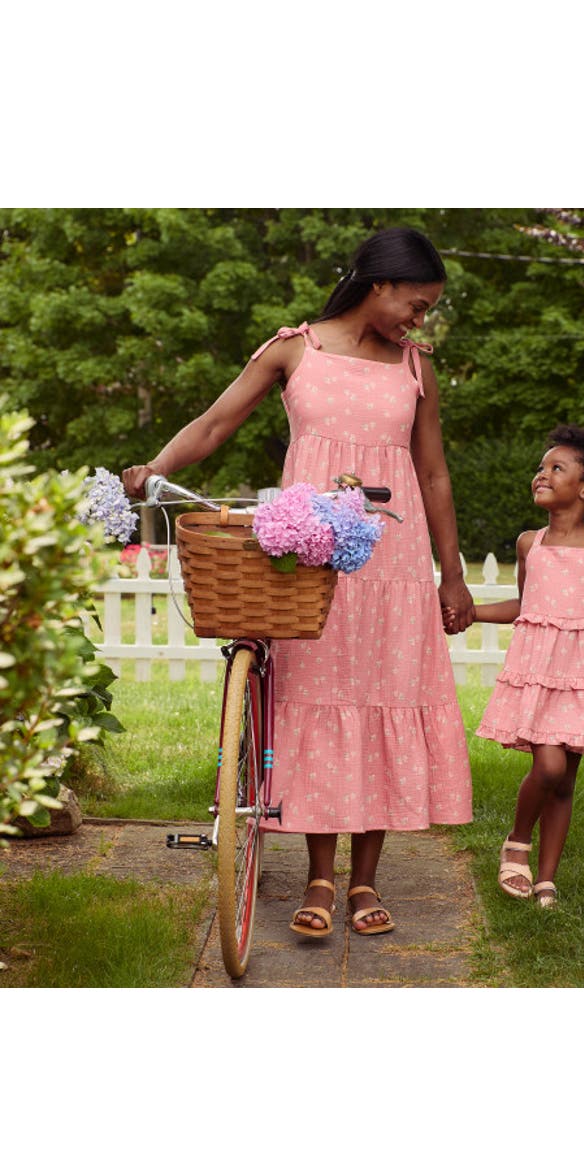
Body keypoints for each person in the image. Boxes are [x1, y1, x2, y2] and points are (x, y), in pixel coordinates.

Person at [123, 226, 474, 937]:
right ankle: (319, 878)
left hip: (394, 566)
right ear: (378, 284)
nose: (421, 318)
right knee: (317, 695)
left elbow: (433, 472)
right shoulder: (295, 350)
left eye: (428, 308)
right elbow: (218, 421)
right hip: (309, 556)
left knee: (383, 696)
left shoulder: (415, 367)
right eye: (416, 302)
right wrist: (152, 470)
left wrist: (453, 573)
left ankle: (365, 883)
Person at [448, 424, 584, 908]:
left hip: (578, 676)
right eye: (540, 467)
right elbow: (523, 604)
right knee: (548, 766)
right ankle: (517, 842)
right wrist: (470, 613)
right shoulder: (530, 543)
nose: (541, 475)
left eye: (556, 468)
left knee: (565, 779)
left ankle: (547, 878)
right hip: (537, 672)